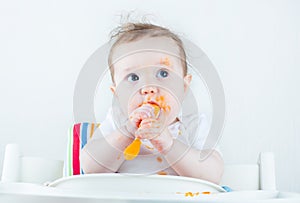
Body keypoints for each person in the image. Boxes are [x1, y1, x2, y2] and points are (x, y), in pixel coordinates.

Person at [80, 22, 224, 184]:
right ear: (118, 94)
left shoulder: (194, 125)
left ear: (184, 87)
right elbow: (90, 167)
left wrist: (169, 145)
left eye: (162, 73)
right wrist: (126, 133)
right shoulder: (117, 122)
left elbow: (213, 174)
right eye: (133, 77)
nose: (148, 88)